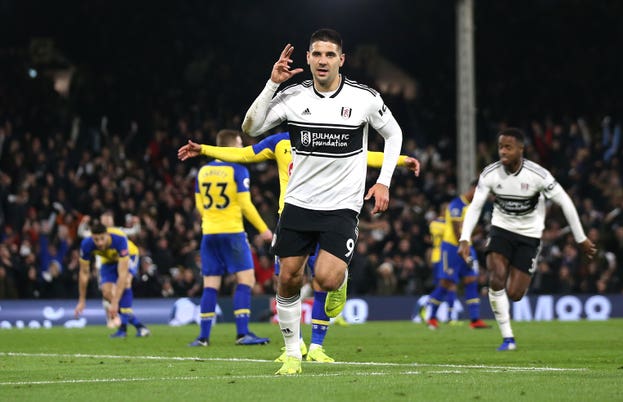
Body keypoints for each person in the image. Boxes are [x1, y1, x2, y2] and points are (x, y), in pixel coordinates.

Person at [241, 28, 403, 374]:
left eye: (330, 55)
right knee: (287, 277)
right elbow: (251, 128)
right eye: (316, 54)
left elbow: (394, 134)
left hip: (341, 205)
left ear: (341, 60)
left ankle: (339, 280)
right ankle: (292, 354)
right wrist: (271, 84)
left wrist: (384, 181)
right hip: (299, 203)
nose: (323, 60)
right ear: (308, 59)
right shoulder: (292, 96)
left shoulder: (364, 99)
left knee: (326, 280)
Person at [178, 131, 420, 362]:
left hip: (324, 217)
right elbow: (245, 154)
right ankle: (294, 345)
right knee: (283, 282)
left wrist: (399, 161)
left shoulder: (328, 138)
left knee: (322, 281)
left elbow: (364, 155)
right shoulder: (279, 142)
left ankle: (317, 346)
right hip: (290, 221)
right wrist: (204, 149)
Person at [458, 127, 596, 351]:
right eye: (501, 147)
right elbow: (475, 207)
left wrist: (581, 239)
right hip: (501, 230)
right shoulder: (490, 174)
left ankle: (509, 325)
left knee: (515, 294)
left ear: (521, 149)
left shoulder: (538, 175)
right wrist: (465, 238)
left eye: (508, 147)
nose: (503, 151)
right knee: (496, 278)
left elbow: (566, 202)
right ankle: (508, 338)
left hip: (529, 236)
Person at [188, 129, 273, 347]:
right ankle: (242, 333)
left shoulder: (203, 171)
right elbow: (245, 204)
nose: (241, 145)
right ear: (232, 144)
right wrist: (264, 229)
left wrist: (211, 220)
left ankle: (203, 337)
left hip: (210, 233)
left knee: (210, 285)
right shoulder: (238, 169)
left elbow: (199, 205)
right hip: (233, 232)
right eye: (239, 142)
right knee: (246, 281)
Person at [426, 181, 490, 329]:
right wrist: (465, 249)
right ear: (473, 189)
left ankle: (475, 320)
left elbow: (470, 230)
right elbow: (456, 231)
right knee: (446, 284)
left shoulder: (474, 207)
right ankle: (432, 317)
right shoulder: (456, 204)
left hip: (468, 246)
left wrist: (478, 232)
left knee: (472, 280)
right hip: (452, 248)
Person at [74, 220, 150, 338]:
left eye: (102, 238)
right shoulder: (86, 244)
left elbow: (122, 274)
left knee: (126, 282)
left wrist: (114, 303)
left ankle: (123, 329)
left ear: (107, 235)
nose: (99, 243)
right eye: (96, 239)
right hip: (108, 262)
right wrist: (82, 300)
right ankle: (139, 326)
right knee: (106, 293)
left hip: (129, 255)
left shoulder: (119, 239)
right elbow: (84, 273)